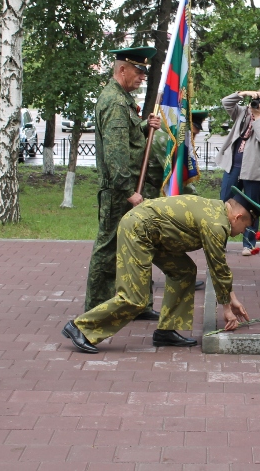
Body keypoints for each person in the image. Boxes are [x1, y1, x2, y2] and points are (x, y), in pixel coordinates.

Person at [62, 187, 260, 352]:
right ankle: (82, 328)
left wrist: (232, 299)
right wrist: (227, 309)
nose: (241, 233)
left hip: (156, 234)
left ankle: (166, 330)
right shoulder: (217, 224)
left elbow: (219, 268)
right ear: (237, 218)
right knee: (135, 298)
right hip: (139, 230)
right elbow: (217, 265)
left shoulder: (216, 211)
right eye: (245, 227)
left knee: (184, 271)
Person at [84, 46, 161, 321]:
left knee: (136, 245)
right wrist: (129, 192)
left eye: (144, 72)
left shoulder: (121, 99)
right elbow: (116, 154)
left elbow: (125, 139)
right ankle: (96, 309)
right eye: (139, 71)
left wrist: (144, 126)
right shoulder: (116, 102)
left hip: (127, 189)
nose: (142, 77)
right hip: (121, 192)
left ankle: (135, 302)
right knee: (108, 250)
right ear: (122, 70)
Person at [143, 109, 209, 290]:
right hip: (148, 195)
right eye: (192, 134)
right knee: (152, 240)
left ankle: (178, 275)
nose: (194, 139)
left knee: (158, 239)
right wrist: (200, 204)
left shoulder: (174, 139)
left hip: (157, 196)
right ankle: (173, 276)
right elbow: (175, 174)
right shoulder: (164, 139)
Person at [216, 89, 260, 256]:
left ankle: (248, 244)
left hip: (255, 170)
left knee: (251, 209)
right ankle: (220, 242)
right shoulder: (244, 112)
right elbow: (226, 102)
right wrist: (243, 93)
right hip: (233, 166)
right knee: (224, 204)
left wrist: (258, 117)